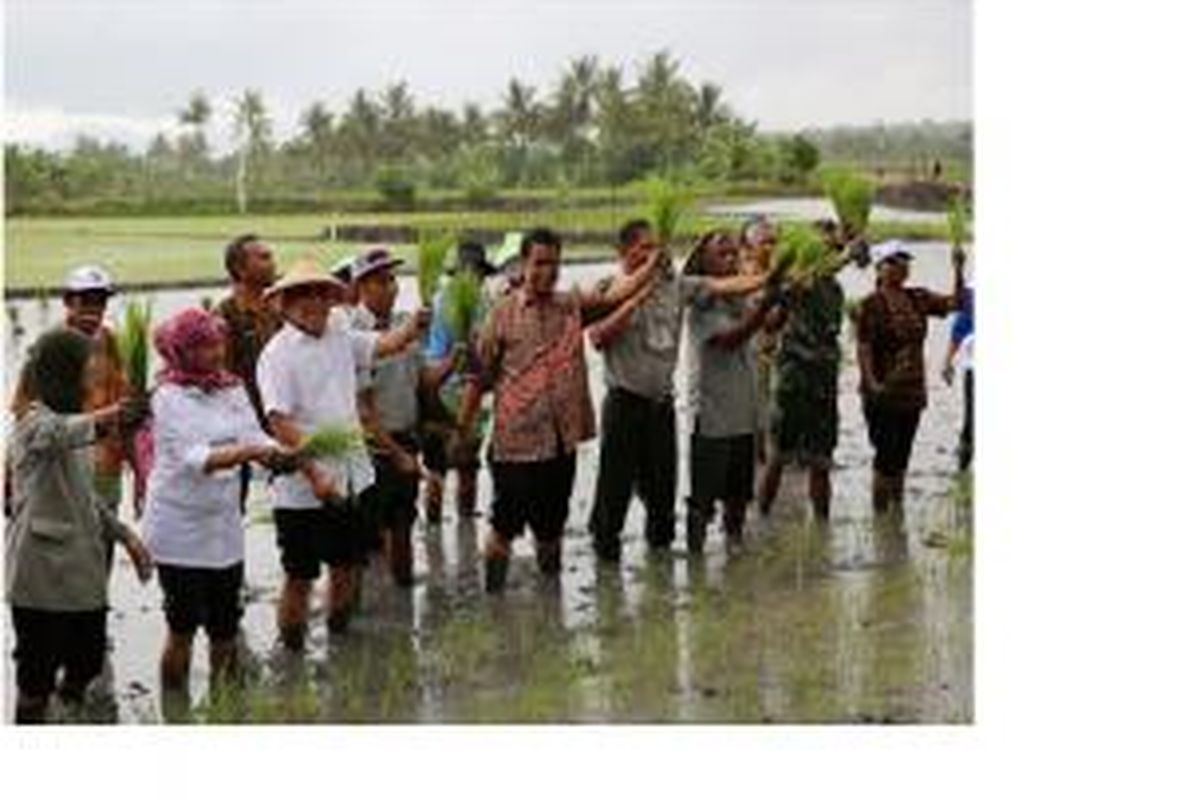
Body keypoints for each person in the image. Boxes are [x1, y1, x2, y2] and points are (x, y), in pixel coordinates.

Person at [463, 227, 661, 592]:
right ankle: (493, 603)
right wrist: (463, 432)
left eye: (555, 263)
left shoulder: (570, 306)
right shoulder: (500, 315)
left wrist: (651, 265)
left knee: (551, 531)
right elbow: (479, 379)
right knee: (503, 528)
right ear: (523, 264)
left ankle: (550, 606)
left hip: (560, 442)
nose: (548, 271)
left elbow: (618, 294)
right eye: (539, 263)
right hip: (514, 446)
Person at [256, 257, 429, 649]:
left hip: (353, 475)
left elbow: (383, 346)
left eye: (320, 293)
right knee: (300, 576)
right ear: (284, 303)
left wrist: (413, 326)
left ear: (331, 299)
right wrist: (316, 474)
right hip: (303, 489)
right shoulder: (277, 355)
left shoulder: (338, 332)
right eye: (303, 295)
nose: (314, 302)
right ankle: (293, 654)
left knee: (348, 565)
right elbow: (280, 424)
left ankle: (340, 643)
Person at [586, 219, 772, 563]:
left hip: (661, 406)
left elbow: (725, 285)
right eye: (643, 247)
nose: (654, 254)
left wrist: (768, 280)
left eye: (656, 246)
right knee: (614, 491)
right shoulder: (609, 288)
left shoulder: (678, 287)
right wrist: (635, 297)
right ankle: (605, 562)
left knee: (662, 494)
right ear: (623, 252)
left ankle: (661, 574)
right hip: (625, 403)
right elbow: (597, 338)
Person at [141, 308, 294, 694]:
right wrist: (252, 452)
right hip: (178, 530)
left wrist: (282, 452)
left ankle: (226, 711)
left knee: (225, 625)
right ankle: (174, 711)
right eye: (205, 346)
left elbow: (253, 433)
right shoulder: (166, 397)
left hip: (223, 528)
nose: (217, 352)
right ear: (182, 351)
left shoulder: (231, 387)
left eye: (218, 343)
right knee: (183, 626)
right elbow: (199, 459)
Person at [5, 328, 152, 723]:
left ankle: (65, 708)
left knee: (88, 660)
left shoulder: (76, 425)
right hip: (40, 577)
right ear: (62, 370)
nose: (94, 370)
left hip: (81, 573)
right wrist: (112, 416)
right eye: (87, 364)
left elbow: (86, 499)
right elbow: (56, 434)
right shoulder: (32, 421)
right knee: (35, 677)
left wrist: (127, 537)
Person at [348, 248, 438, 586]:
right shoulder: (352, 334)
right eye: (381, 281)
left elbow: (423, 382)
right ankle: (352, 620)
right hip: (371, 450)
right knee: (360, 543)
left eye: (392, 279)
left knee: (403, 527)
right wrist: (398, 456)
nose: (391, 287)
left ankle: (403, 616)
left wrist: (457, 360)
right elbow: (363, 411)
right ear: (361, 287)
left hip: (404, 440)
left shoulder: (404, 324)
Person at [856, 240, 966, 514]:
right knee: (885, 457)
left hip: (912, 392)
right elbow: (864, 346)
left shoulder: (918, 297)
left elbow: (956, 303)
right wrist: (872, 383)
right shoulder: (870, 304)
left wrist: (958, 268)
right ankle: (881, 521)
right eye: (894, 261)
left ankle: (897, 517)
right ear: (879, 268)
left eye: (905, 260)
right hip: (882, 393)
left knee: (902, 457)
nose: (902, 265)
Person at [682, 230, 775, 554]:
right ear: (703, 259)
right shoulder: (701, 303)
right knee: (703, 502)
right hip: (712, 417)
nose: (732, 256)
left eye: (734, 252)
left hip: (743, 416)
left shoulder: (744, 295)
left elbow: (771, 322)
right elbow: (730, 340)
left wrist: (784, 299)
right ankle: (695, 562)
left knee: (738, 498)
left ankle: (736, 559)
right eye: (721, 250)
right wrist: (766, 306)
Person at [757, 220, 855, 522]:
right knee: (779, 456)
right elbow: (769, 306)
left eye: (830, 246)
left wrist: (853, 250)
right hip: (794, 378)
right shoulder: (795, 283)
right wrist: (783, 276)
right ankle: (763, 518)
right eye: (823, 245)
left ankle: (823, 532)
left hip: (824, 380)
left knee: (821, 461)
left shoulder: (834, 288)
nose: (828, 250)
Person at [420, 241, 494, 523]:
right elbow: (434, 356)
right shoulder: (440, 303)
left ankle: (465, 531)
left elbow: (487, 360)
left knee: (468, 468)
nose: (476, 279)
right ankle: (435, 532)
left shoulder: (487, 303)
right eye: (472, 273)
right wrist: (460, 355)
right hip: (443, 397)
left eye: (479, 274)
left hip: (474, 400)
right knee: (438, 471)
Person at [59, 264, 130, 514]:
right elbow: (28, 415)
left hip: (107, 461)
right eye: (85, 301)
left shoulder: (108, 340)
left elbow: (124, 392)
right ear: (68, 301)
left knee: (105, 540)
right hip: (65, 467)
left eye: (100, 301)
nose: (94, 309)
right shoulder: (51, 347)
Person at [740, 217, 779, 464]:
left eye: (774, 241)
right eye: (764, 242)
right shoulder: (739, 276)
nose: (770, 247)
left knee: (770, 418)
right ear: (747, 247)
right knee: (752, 418)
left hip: (773, 354)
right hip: (748, 356)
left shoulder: (777, 272)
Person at [942, 282, 974, 472]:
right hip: (974, 368)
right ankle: (963, 472)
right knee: (972, 423)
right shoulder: (973, 290)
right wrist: (948, 361)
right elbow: (960, 326)